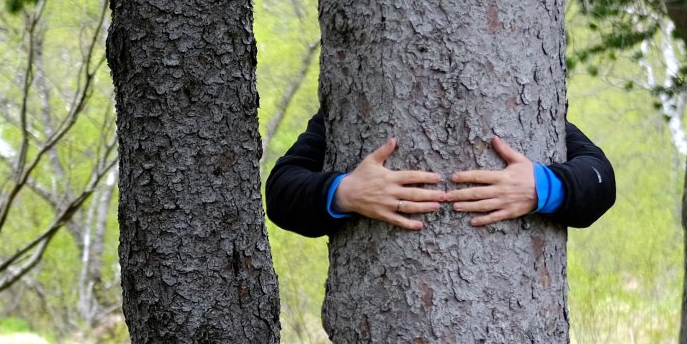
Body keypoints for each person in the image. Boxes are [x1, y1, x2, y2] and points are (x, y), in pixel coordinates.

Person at [264, 111, 616, 237]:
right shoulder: (348, 109)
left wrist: (543, 187)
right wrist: (345, 192)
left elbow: (600, 179)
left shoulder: (527, 102)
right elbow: (281, 192)